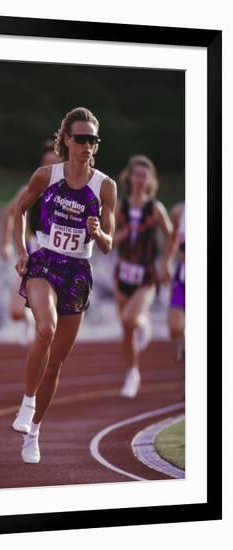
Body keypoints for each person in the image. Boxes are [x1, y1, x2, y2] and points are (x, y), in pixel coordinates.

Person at [11, 107, 117, 463]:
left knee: (56, 363)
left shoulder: (105, 186)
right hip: (45, 262)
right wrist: (21, 251)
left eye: (93, 140)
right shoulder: (46, 176)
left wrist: (98, 232)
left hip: (77, 272)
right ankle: (26, 403)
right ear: (67, 140)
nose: (87, 145)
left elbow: (108, 244)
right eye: (81, 138)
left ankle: (35, 432)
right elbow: (19, 211)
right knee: (45, 329)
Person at [113, 155, 173, 398]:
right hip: (123, 273)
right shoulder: (121, 207)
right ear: (129, 177)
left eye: (143, 175)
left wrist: (166, 263)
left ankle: (144, 323)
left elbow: (172, 236)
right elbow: (109, 238)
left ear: (150, 180)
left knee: (130, 319)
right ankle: (132, 374)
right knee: (126, 330)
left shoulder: (155, 209)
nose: (139, 179)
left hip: (146, 276)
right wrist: (124, 233)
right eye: (135, 174)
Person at [0, 141, 59, 341]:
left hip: (59, 263)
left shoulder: (70, 192)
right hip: (33, 257)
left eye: (55, 164)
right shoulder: (31, 189)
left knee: (49, 321)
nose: (49, 169)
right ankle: (30, 320)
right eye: (46, 164)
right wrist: (6, 244)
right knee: (16, 311)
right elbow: (8, 213)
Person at [165, 201, 185, 362]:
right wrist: (167, 263)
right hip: (183, 274)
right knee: (174, 328)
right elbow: (172, 241)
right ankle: (182, 338)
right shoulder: (179, 211)